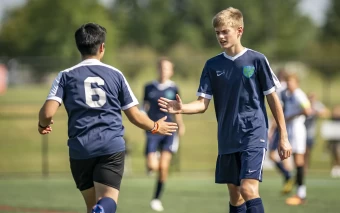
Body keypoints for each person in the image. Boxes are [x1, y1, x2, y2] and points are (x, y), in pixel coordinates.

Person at [158, 7, 291, 213]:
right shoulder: (212, 65)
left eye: (225, 31)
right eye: (217, 32)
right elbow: (202, 104)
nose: (220, 36)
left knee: (248, 188)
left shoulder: (256, 60)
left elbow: (273, 100)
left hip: (253, 133)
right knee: (235, 194)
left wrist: (283, 135)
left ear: (239, 31)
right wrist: (182, 108)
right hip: (228, 136)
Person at [37, 23, 178, 213]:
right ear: (102, 47)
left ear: (78, 46)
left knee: (90, 205)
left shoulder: (65, 76)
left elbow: (47, 113)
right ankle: (102, 209)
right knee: (106, 200)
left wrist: (42, 125)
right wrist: (155, 126)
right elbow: (135, 115)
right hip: (110, 147)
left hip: (81, 149)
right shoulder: (115, 75)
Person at [143, 57, 185, 212]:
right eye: (161, 68)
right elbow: (144, 107)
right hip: (153, 129)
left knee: (164, 168)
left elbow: (178, 109)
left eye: (167, 68)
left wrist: (180, 125)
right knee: (152, 166)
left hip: (169, 130)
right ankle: (154, 160)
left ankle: (156, 199)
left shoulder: (174, 88)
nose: (164, 71)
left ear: (171, 71)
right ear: (157, 69)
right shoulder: (149, 87)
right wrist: (145, 123)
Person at [280, 73, 312, 206]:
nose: (289, 84)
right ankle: (298, 192)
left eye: (291, 82)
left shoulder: (299, 94)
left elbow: (308, 110)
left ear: (297, 83)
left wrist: (291, 116)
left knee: (299, 161)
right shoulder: (289, 95)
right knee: (294, 161)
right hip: (291, 130)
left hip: (298, 130)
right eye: (288, 82)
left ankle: (301, 194)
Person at [267, 68, 294, 194]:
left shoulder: (279, 90)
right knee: (281, 156)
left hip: (281, 127)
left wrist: (271, 129)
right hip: (288, 126)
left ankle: (288, 177)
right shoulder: (287, 90)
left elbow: (278, 109)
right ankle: (288, 178)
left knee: (275, 155)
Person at [304, 92, 329, 171]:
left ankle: (306, 166)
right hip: (302, 131)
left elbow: (326, 112)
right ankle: (302, 167)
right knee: (302, 150)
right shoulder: (304, 104)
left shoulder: (317, 105)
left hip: (311, 132)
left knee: (307, 151)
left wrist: (317, 113)